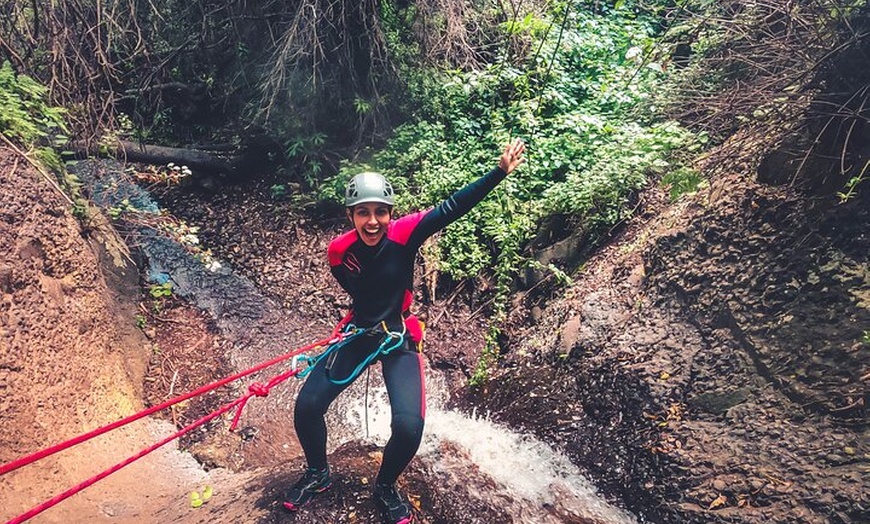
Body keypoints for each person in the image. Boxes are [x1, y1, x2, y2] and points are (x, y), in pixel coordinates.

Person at [283, 138, 526, 524]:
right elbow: (363, 293)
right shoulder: (338, 253)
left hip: (398, 338)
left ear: (391, 213)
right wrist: (359, 323)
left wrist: (498, 172)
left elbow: (451, 208)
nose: (373, 220)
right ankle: (318, 473)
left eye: (381, 212)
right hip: (361, 334)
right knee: (308, 406)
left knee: (410, 424)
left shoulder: (406, 233)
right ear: (351, 216)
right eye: (363, 212)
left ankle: (385, 486)